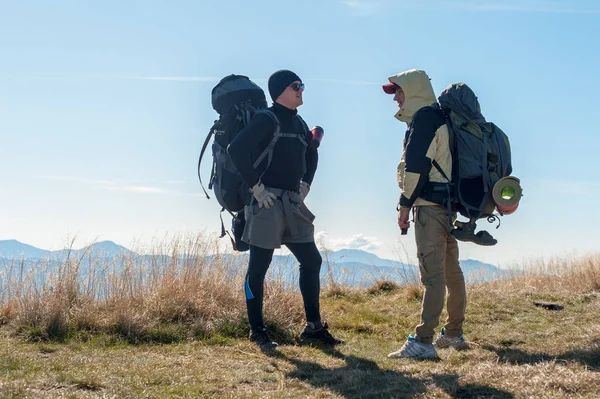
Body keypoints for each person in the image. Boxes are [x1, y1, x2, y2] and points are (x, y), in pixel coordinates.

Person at [227, 69, 344, 349]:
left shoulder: (299, 122)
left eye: (301, 85)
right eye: (296, 86)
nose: (301, 89)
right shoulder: (266, 119)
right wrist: (256, 188)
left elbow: (312, 154)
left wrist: (306, 186)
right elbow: (235, 149)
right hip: (266, 202)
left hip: (292, 200)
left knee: (311, 260)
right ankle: (258, 332)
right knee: (258, 267)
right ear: (280, 90)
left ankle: (313, 330)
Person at [382, 69, 469, 359]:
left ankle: (423, 341)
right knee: (452, 273)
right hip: (447, 207)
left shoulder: (423, 121)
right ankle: (453, 334)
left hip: (429, 209)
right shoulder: (441, 118)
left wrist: (404, 204)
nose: (395, 98)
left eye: (397, 91)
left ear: (413, 90)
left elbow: (416, 168)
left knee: (433, 276)